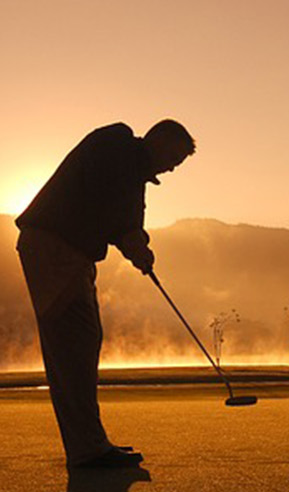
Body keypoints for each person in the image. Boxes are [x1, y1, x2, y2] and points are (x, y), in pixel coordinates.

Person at [15, 119, 196, 468]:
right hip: (55, 250)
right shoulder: (119, 144)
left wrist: (137, 244)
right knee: (75, 344)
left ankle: (90, 445)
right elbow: (119, 211)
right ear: (159, 140)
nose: (172, 168)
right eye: (174, 157)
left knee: (82, 341)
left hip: (69, 253)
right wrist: (134, 244)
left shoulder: (132, 168)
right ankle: (88, 450)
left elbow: (127, 221)